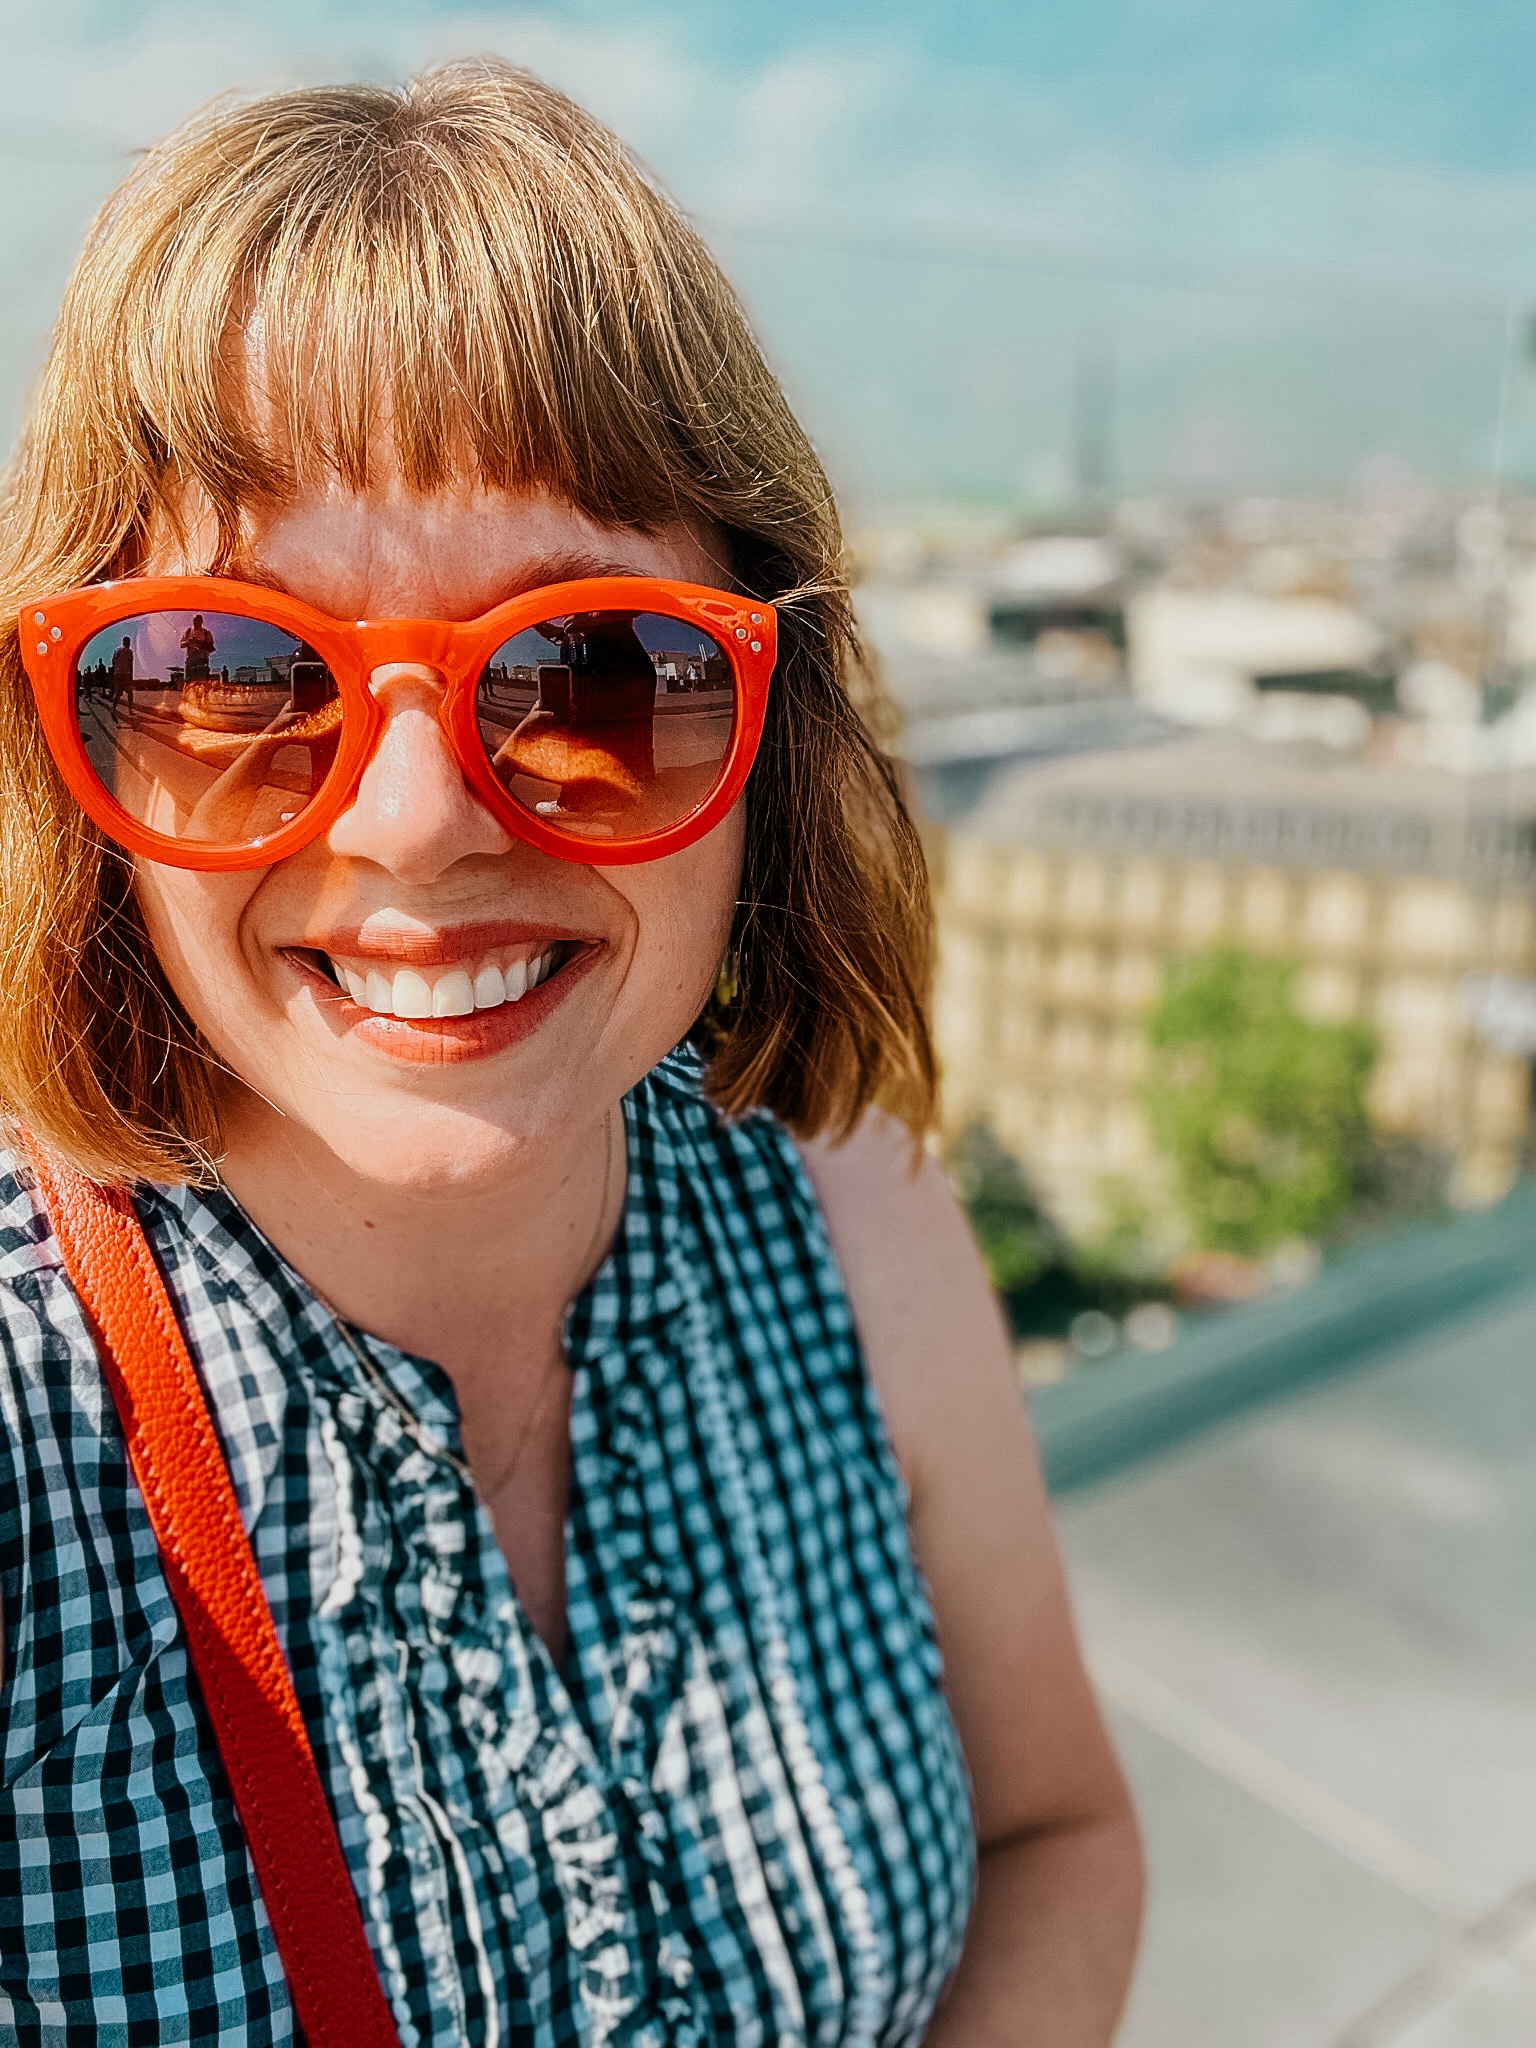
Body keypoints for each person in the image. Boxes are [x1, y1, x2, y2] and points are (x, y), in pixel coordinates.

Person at [0, 63, 1142, 2046]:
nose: (417, 821)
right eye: (236, 679)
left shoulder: (840, 1195)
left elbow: (1058, 1832)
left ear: (766, 725)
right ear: (77, 759)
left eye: (592, 672)